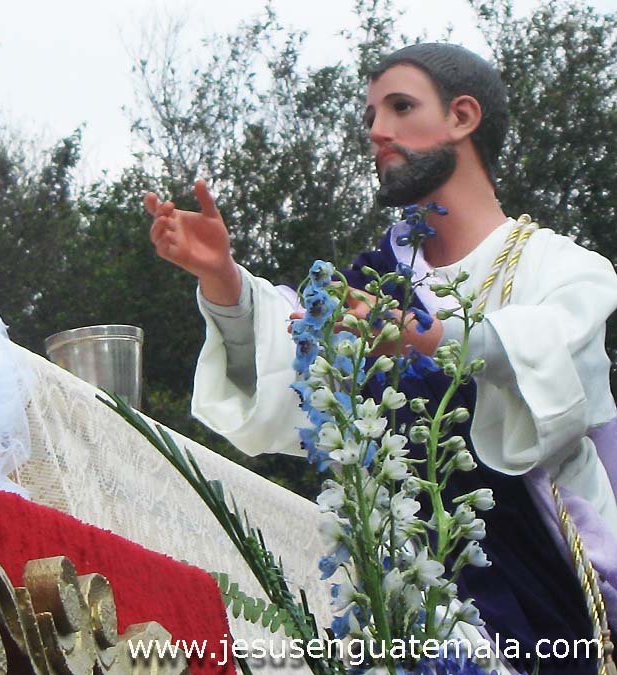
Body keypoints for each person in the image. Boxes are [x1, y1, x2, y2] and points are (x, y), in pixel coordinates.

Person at [145, 43, 617, 673]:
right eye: (371, 115)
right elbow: (293, 374)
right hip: (407, 605)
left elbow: (555, 359)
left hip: (549, 602)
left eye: (400, 107)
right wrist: (225, 283)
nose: (376, 131)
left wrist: (425, 339)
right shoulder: (373, 283)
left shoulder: (559, 267)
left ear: (463, 116)